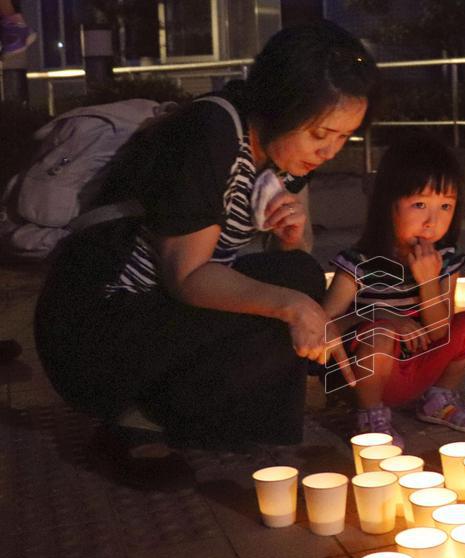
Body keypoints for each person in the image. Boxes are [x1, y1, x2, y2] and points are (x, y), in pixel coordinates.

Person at [34, 21, 378, 459]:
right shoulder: (211, 129)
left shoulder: (280, 159)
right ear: (281, 105)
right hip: (95, 330)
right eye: (320, 133)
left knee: (299, 273)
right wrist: (296, 307)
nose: (330, 151)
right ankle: (139, 419)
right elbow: (189, 276)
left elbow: (277, 274)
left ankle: (206, 419)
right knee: (295, 300)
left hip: (157, 315)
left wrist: (288, 243)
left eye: (345, 136)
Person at [324, 136, 465, 445]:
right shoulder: (359, 263)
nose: (432, 221)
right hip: (371, 376)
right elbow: (323, 329)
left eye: (445, 206)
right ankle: (371, 415)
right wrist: (380, 317)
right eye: (419, 204)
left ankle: (437, 400)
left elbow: (441, 332)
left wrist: (428, 281)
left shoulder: (446, 261)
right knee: (380, 334)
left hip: (419, 367)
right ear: (387, 203)